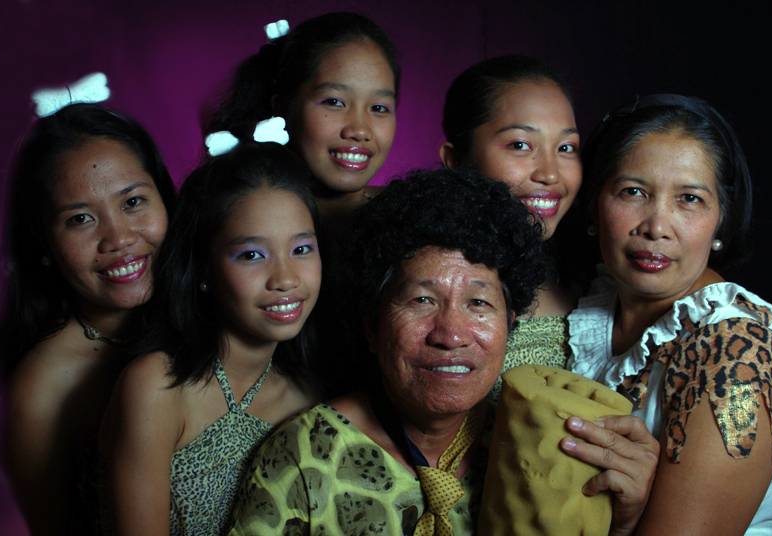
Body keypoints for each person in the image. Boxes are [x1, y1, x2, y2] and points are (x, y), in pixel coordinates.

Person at [230, 168, 658, 535]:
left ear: (510, 326)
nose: (451, 334)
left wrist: (620, 524)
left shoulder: (536, 445)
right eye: (422, 301)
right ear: (371, 324)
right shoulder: (303, 456)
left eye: (479, 303)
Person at [568, 94, 772, 535]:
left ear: (720, 219)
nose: (657, 225)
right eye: (633, 192)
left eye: (689, 198)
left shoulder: (734, 350)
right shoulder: (592, 300)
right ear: (594, 206)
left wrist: (626, 523)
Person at [99, 142, 323, 536]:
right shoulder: (158, 385)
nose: (286, 279)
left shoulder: (310, 397)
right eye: (252, 255)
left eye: (302, 249)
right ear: (203, 269)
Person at [0, 102, 176, 535]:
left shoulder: (223, 306)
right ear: (43, 244)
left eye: (133, 201)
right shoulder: (41, 392)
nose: (119, 238)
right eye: (80, 219)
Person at [439, 55, 595, 400]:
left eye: (566, 147)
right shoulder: (422, 277)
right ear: (456, 160)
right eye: (521, 145)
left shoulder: (596, 278)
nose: (551, 174)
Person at [207, 11, 399, 236]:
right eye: (334, 102)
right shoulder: (232, 220)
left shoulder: (412, 219)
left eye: (378, 108)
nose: (359, 130)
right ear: (282, 109)